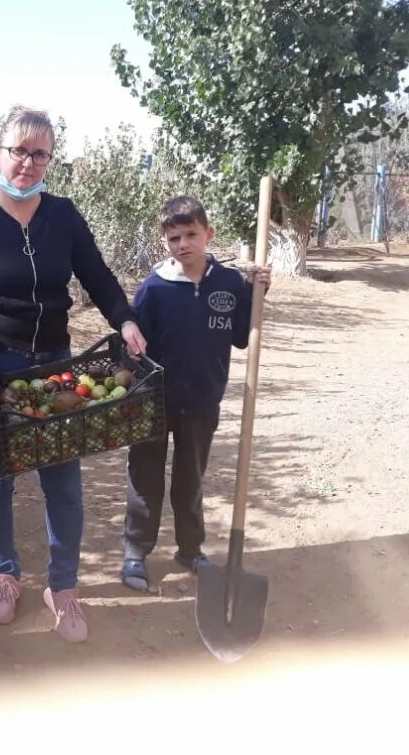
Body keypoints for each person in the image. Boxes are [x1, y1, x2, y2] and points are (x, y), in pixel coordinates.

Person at [0, 106, 147, 643]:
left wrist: (125, 320)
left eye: (40, 154)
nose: (28, 163)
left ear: (49, 160)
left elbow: (98, 276)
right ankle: (6, 578)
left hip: (57, 365)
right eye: (19, 151)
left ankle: (63, 590)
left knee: (64, 484)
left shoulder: (63, 215)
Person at [120, 195, 271, 591]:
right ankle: (136, 553)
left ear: (209, 233)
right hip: (153, 402)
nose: (183, 244)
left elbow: (241, 336)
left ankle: (190, 549)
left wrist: (257, 295)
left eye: (191, 234)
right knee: (145, 478)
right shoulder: (154, 289)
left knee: (191, 479)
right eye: (174, 238)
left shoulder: (229, 282)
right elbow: (136, 349)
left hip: (203, 400)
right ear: (165, 242)